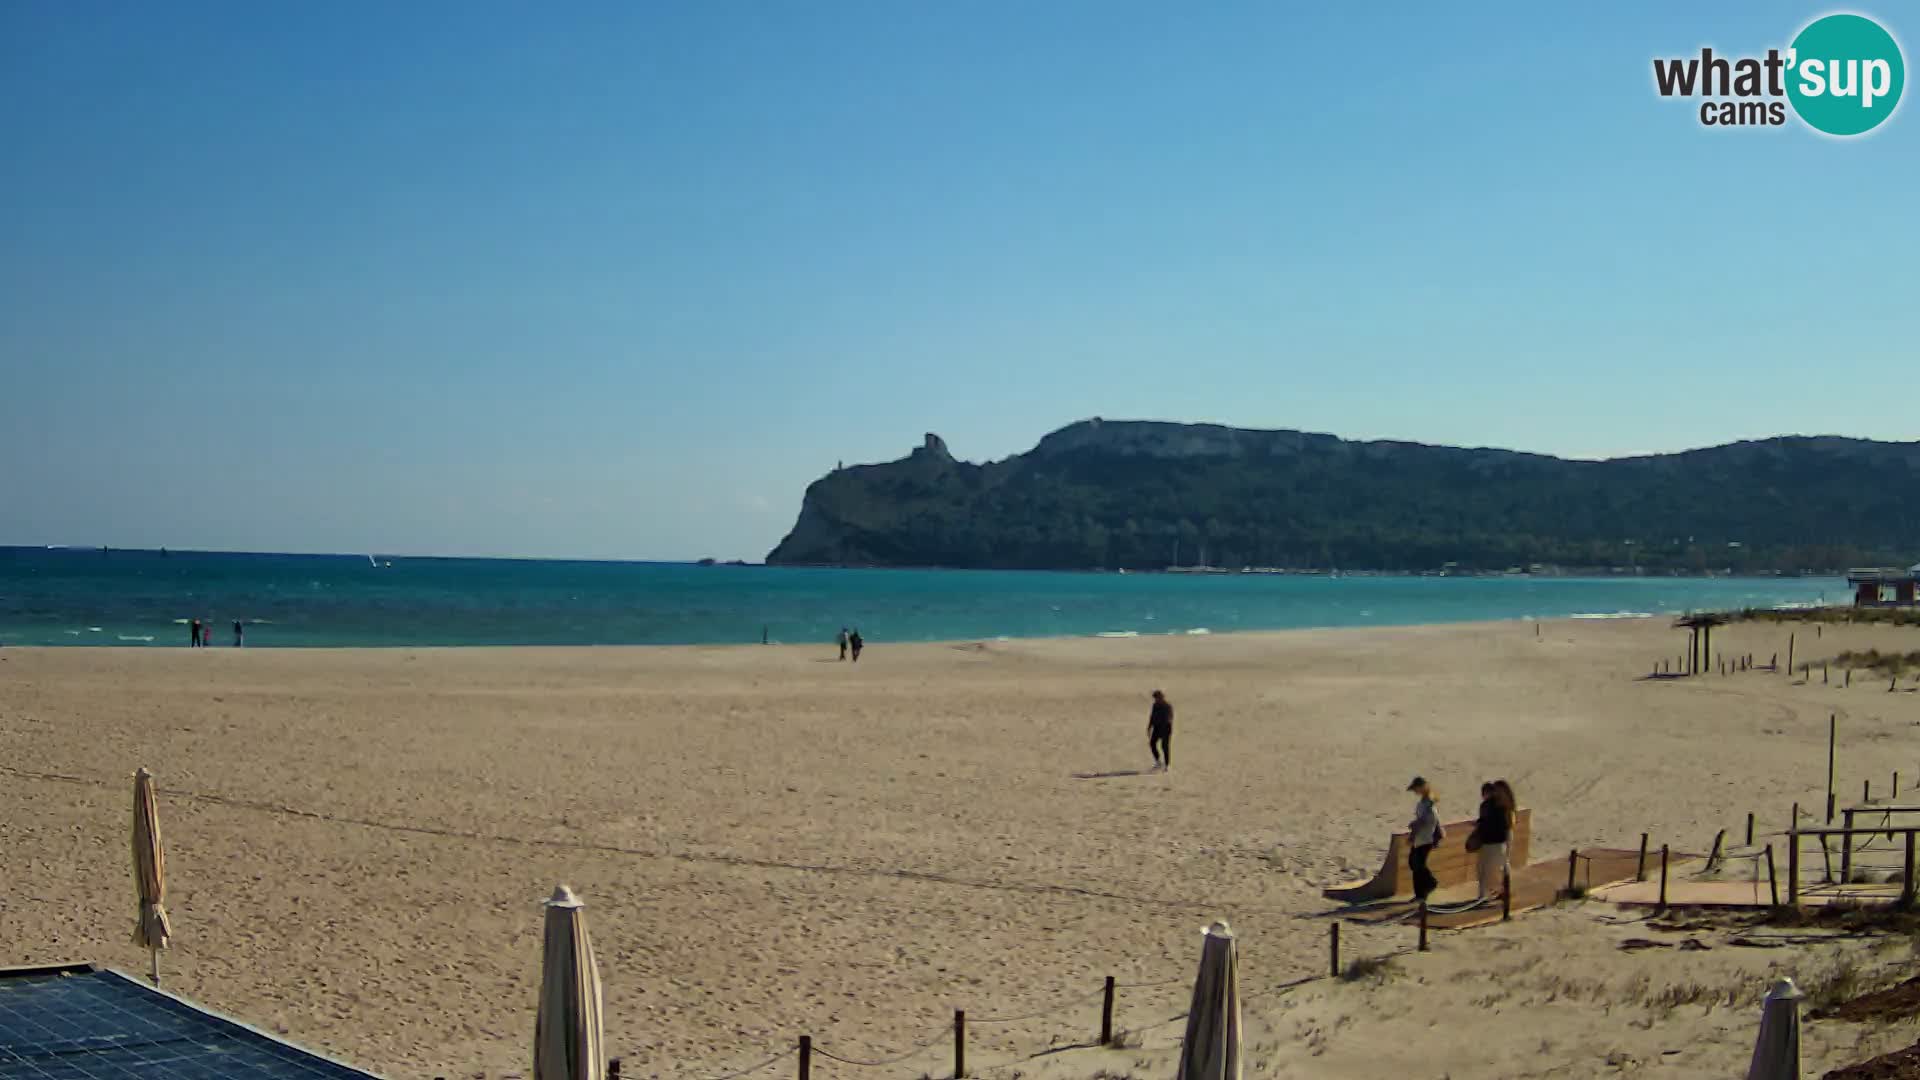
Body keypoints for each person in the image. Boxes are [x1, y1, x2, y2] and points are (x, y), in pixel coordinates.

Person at [1474, 779, 1514, 899]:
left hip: (1491, 842)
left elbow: (1484, 823)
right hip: (1498, 842)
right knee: (1496, 868)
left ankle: (1483, 895)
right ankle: (1494, 893)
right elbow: (1506, 826)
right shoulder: (1504, 806)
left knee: (1484, 871)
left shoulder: (1489, 806)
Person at [1407, 777, 1441, 902]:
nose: (1415, 791)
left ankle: (1429, 885)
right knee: (1414, 864)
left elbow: (1425, 820)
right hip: (1422, 838)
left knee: (1418, 865)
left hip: (1425, 838)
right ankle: (1420, 893)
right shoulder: (1424, 802)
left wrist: (1414, 828)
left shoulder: (1428, 803)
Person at [1147, 690, 1174, 771]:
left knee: (1164, 746)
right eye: (1155, 698)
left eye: (1157, 698)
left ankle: (1167, 765)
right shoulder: (1155, 705)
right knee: (1152, 743)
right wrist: (1149, 727)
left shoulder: (1167, 706)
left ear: (1161, 697)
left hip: (1166, 728)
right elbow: (1152, 717)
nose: (1156, 700)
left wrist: (1164, 727)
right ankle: (1158, 762)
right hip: (1157, 727)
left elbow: (1169, 718)